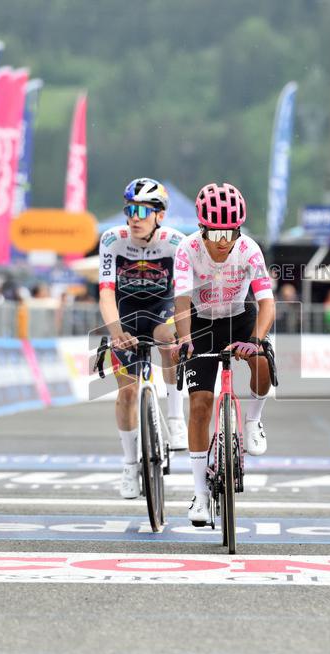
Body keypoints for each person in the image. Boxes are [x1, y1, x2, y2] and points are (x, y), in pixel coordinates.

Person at [171, 182, 275, 526]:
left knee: (262, 360)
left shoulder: (249, 249)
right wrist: (185, 339)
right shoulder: (187, 249)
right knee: (200, 404)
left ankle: (253, 420)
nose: (222, 241)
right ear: (201, 228)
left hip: (238, 318)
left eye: (230, 232)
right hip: (200, 323)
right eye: (215, 233)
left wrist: (256, 341)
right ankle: (200, 494)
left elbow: (267, 303)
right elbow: (181, 302)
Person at [98, 178, 189, 500]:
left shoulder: (176, 243)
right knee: (127, 393)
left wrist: (182, 330)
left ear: (159, 215)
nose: (134, 218)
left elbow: (184, 296)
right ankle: (128, 463)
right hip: (126, 314)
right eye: (129, 210)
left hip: (163, 307)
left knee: (169, 339)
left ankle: (176, 418)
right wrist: (116, 333)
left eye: (142, 211)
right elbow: (106, 294)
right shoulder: (112, 240)